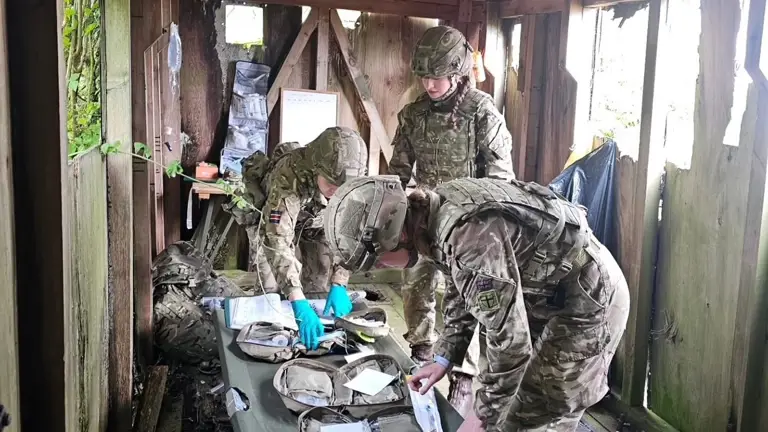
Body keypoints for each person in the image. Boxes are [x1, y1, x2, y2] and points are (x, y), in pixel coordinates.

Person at [323, 175, 630, 432]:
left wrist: (481, 417)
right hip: (543, 291)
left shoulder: (468, 236)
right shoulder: (429, 217)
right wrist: (444, 359)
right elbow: (462, 289)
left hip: (587, 300)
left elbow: (510, 344)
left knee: (541, 406)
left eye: (376, 262)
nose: (379, 269)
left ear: (396, 235)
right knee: (509, 406)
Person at [387, 24, 516, 413]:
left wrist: (477, 219)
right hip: (425, 220)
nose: (429, 83)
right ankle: (422, 353)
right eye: (424, 76)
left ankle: (464, 375)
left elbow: (501, 178)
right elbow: (397, 174)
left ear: (458, 70)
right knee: (417, 288)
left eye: (437, 76)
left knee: (471, 298)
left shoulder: (482, 113)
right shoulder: (412, 115)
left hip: (471, 227)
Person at [234, 126, 368, 351]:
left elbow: (352, 233)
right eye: (332, 184)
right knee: (272, 289)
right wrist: (296, 299)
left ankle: (313, 344)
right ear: (317, 169)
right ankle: (271, 345)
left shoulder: (354, 181)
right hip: (273, 223)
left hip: (316, 223)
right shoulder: (289, 174)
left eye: (342, 188)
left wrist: (340, 282)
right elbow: (276, 239)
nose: (337, 192)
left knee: (319, 284)